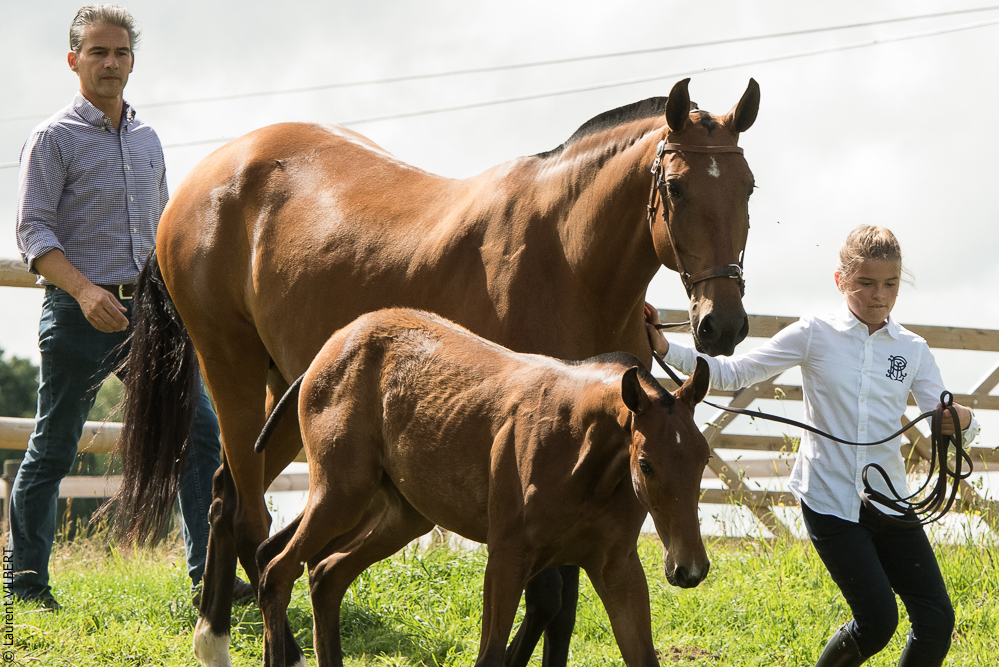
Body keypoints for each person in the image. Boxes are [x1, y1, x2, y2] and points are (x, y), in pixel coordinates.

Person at [645, 225, 979, 667]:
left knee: (936, 619)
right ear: (841, 281)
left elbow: (943, 411)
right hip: (830, 502)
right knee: (878, 621)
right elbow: (735, 372)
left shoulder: (912, 350)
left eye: (890, 284)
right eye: (866, 283)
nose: (879, 295)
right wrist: (666, 348)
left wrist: (963, 421)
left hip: (891, 503)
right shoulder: (814, 333)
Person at [12, 4, 251, 610]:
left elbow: (164, 231)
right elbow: (33, 234)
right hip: (77, 314)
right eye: (97, 52)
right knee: (55, 446)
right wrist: (85, 291)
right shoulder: (52, 138)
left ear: (133, 61)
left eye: (119, 52)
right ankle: (26, 585)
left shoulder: (148, 140)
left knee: (200, 435)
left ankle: (209, 582)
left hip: (152, 317)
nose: (110, 62)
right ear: (73, 60)